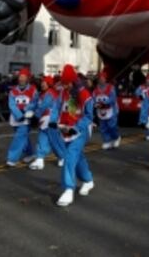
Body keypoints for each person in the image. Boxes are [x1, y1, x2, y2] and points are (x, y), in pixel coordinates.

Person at [55, 64, 94, 206]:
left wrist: (76, 128)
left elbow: (89, 116)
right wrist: (56, 123)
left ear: (72, 81)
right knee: (78, 157)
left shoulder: (84, 94)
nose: (64, 86)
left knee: (70, 156)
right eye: (63, 83)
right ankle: (88, 180)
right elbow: (59, 108)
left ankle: (68, 189)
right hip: (66, 129)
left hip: (81, 131)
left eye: (66, 84)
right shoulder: (65, 92)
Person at [30, 75, 64, 170]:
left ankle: (63, 157)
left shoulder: (51, 93)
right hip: (43, 120)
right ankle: (40, 159)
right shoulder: (42, 94)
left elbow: (43, 106)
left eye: (44, 82)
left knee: (55, 141)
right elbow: (35, 104)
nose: (42, 84)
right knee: (42, 139)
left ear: (49, 84)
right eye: (42, 82)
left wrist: (35, 116)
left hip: (51, 120)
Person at [7, 68, 38, 167]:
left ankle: (12, 159)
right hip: (16, 118)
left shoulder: (33, 90)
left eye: (23, 77)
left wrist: (24, 111)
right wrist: (18, 114)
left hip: (26, 118)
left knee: (19, 138)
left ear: (27, 78)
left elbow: (34, 102)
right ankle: (30, 153)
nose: (21, 79)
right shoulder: (13, 91)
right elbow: (11, 103)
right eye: (20, 77)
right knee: (23, 137)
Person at [92, 71, 121, 150]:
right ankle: (107, 141)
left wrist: (105, 103)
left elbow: (113, 98)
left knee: (112, 126)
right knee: (103, 127)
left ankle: (116, 137)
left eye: (102, 78)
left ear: (105, 79)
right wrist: (95, 104)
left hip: (111, 111)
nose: (101, 80)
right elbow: (93, 99)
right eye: (100, 78)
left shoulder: (110, 88)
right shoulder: (95, 90)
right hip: (101, 111)